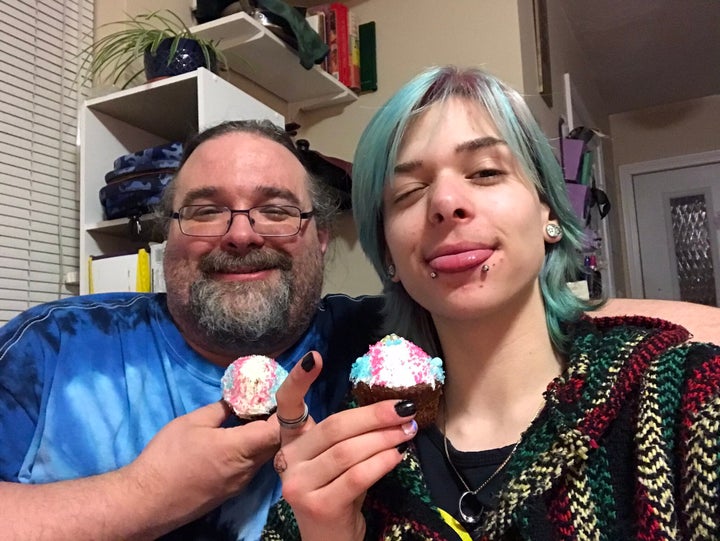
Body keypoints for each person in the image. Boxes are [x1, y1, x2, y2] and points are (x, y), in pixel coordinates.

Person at [263, 67, 720, 541]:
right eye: (409, 191)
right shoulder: (347, 457)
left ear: (548, 212)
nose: (445, 202)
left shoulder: (682, 400)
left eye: (485, 172)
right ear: (389, 253)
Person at [0, 119, 382, 540]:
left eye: (276, 211)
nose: (241, 235)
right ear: (168, 233)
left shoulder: (378, 345)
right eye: (206, 212)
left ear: (322, 237)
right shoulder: (53, 345)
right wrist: (143, 496)